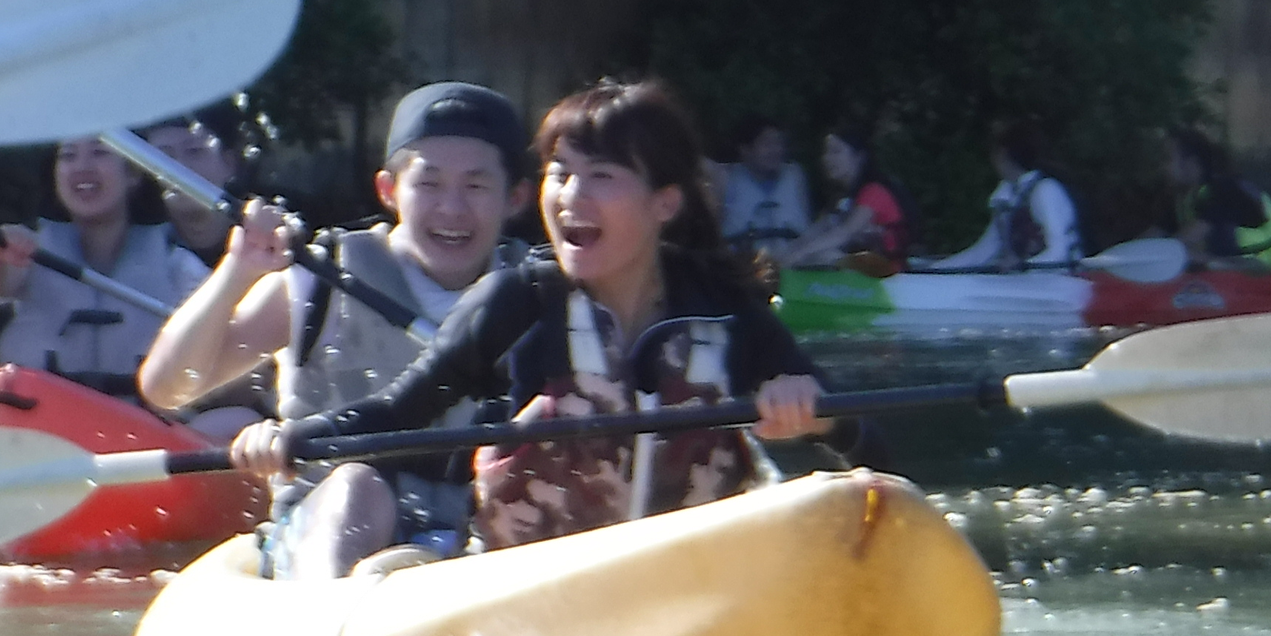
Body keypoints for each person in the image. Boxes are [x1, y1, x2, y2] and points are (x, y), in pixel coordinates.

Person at [237, 79, 848, 564]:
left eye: (600, 176)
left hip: (686, 573)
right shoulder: (520, 297)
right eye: (560, 173)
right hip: (537, 581)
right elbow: (401, 413)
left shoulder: (723, 303)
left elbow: (857, 434)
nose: (569, 196)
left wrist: (811, 406)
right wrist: (299, 437)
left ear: (664, 202)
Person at [140, 81, 529, 576]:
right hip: (323, 528)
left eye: (475, 186)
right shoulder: (320, 280)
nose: (451, 209)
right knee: (357, 487)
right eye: (428, 184)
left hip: (477, 540)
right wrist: (238, 269)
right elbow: (167, 388)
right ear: (389, 190)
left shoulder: (535, 289)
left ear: (515, 197)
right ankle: (329, 624)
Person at [0, 135, 210, 400]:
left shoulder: (177, 266)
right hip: (38, 415)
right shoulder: (28, 251)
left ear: (133, 175)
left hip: (140, 420)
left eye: (99, 153)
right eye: (68, 156)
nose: (82, 167)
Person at [916, 119, 1080, 270]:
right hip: (1029, 285)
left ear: (1002, 154)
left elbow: (1060, 252)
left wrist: (1021, 267)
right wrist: (935, 269)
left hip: (1059, 285)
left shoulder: (1046, 191)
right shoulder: (1008, 197)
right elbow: (985, 251)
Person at [778, 126, 910, 269]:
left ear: (858, 157)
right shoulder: (839, 198)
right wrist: (783, 255)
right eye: (826, 152)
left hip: (888, 273)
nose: (827, 158)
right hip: (861, 274)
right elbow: (813, 233)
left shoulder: (874, 191)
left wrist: (799, 254)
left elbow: (845, 232)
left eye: (836, 151)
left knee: (823, 256)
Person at [1167, 125, 1271, 270]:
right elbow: (1157, 236)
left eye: (1167, 159)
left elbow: (1177, 245)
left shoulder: (1224, 191)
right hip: (1234, 270)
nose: (1162, 167)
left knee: (1187, 257)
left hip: (1263, 272)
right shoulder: (1185, 196)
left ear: (1190, 163)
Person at [138, 102, 250, 259]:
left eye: (194, 151)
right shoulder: (138, 252)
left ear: (228, 163)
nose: (180, 168)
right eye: (164, 157)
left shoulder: (265, 237)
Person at [712, 117, 812, 250]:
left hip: (795, 259)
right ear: (745, 150)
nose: (776, 150)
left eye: (778, 143)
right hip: (743, 262)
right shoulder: (725, 177)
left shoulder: (795, 175)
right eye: (767, 144)